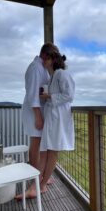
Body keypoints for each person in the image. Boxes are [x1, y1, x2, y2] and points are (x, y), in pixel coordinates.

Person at [15, 42, 59, 199]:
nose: (54, 62)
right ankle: (36, 178)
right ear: (46, 56)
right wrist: (38, 116)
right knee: (36, 144)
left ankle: (40, 177)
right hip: (35, 112)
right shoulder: (35, 68)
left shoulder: (43, 68)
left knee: (41, 145)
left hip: (40, 110)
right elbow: (32, 94)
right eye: (52, 58)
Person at [39, 51, 75, 194]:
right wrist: (47, 97)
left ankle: (42, 185)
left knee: (53, 150)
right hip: (53, 117)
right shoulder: (52, 76)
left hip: (59, 117)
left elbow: (69, 95)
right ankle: (42, 181)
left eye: (46, 58)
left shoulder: (62, 74)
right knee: (48, 149)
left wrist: (49, 96)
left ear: (53, 60)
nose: (43, 60)